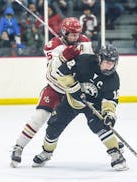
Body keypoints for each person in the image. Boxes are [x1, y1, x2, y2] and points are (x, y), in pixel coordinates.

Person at [10, 17, 94, 168]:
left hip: (76, 89)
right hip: (56, 88)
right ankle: (19, 147)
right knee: (39, 117)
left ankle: (112, 146)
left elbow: (89, 64)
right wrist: (63, 57)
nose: (76, 37)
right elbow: (51, 73)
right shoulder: (52, 46)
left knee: (95, 114)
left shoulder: (85, 41)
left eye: (77, 34)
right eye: (72, 34)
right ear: (64, 32)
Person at [32, 45, 128, 171]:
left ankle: (116, 153)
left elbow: (110, 100)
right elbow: (60, 72)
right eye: (106, 62)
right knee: (54, 125)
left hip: (93, 106)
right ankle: (47, 152)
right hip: (72, 101)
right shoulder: (84, 60)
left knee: (101, 125)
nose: (109, 66)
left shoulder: (113, 79)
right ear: (99, 59)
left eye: (112, 63)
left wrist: (109, 114)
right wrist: (73, 87)